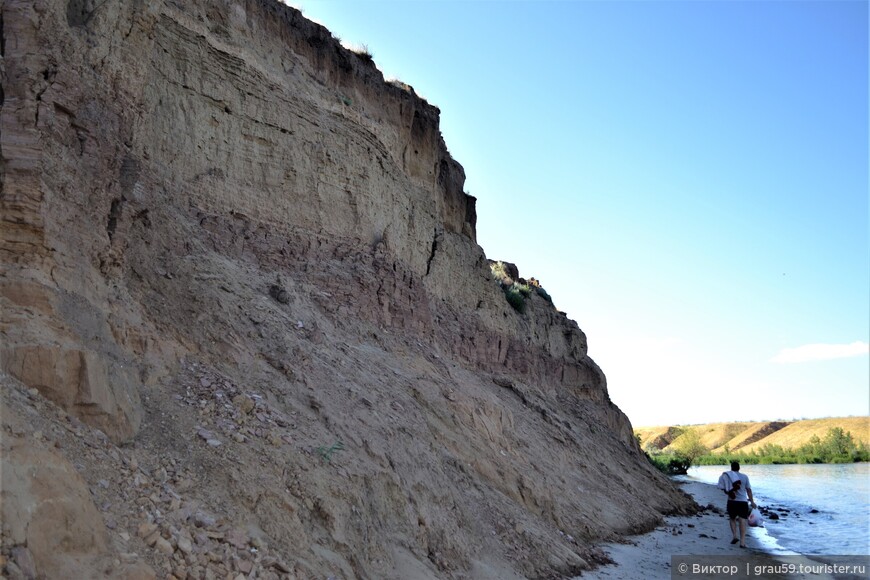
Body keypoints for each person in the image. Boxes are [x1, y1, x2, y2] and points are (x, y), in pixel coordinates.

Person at [717, 461, 756, 548]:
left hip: (732, 501)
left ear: (731, 468)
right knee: (742, 520)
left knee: (732, 518)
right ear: (739, 468)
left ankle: (734, 536)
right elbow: (748, 490)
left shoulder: (727, 476)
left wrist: (730, 492)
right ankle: (742, 542)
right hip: (742, 502)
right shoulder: (745, 477)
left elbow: (725, 489)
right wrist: (752, 501)